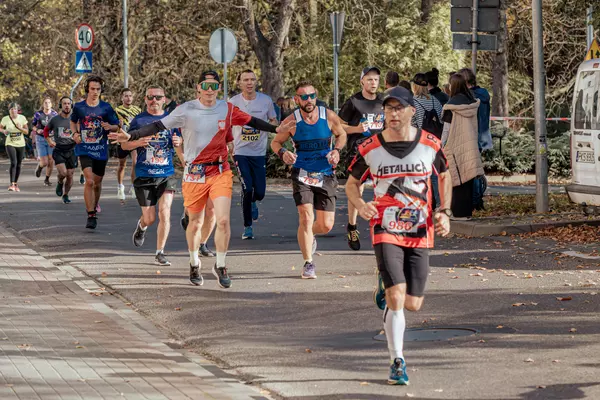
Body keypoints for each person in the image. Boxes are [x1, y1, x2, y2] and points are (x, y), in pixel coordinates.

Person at [112, 70, 283, 288]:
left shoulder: (227, 108)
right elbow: (157, 126)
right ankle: (194, 263)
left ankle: (220, 265)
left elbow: (253, 121)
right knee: (195, 222)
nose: (210, 90)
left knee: (222, 219)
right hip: (194, 173)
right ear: (198, 88)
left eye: (214, 86)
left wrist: (277, 128)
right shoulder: (186, 109)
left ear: (219, 88)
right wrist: (131, 135)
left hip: (220, 170)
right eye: (206, 86)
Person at [345, 86, 452, 385]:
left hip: (420, 228)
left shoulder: (430, 143)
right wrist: (360, 205)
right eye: (388, 108)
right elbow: (351, 184)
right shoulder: (370, 147)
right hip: (385, 226)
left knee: (413, 303)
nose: (392, 113)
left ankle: (386, 283)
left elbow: (445, 175)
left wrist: (444, 211)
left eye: (398, 108)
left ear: (411, 111)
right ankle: (397, 361)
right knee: (396, 297)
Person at [271, 81, 347, 279]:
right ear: (297, 100)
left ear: (316, 96)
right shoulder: (292, 121)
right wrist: (283, 152)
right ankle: (308, 263)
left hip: (325, 174)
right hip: (302, 173)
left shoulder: (328, 116)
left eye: (312, 96)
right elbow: (275, 142)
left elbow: (341, 134)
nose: (309, 100)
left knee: (326, 225)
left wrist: (337, 151)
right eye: (304, 97)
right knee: (305, 217)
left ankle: (308, 234)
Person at [123, 85, 180, 266]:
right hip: (144, 174)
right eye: (150, 97)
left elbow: (181, 141)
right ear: (145, 100)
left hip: (166, 174)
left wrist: (179, 141)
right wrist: (138, 142)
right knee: (150, 218)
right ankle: (142, 226)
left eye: (158, 97)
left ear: (164, 100)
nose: (154, 100)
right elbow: (124, 145)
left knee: (165, 213)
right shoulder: (139, 121)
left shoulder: (172, 120)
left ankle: (160, 252)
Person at [338, 66, 384, 251]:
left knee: (383, 188)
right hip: (358, 151)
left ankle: (381, 225)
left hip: (381, 151)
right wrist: (356, 129)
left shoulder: (384, 101)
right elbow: (338, 126)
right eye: (369, 79)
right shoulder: (353, 102)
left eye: (376, 79)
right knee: (357, 187)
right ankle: (352, 226)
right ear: (362, 81)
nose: (373, 83)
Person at [229, 70, 278, 240]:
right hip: (240, 151)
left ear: (256, 82)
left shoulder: (266, 100)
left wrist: (273, 127)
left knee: (260, 192)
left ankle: (253, 201)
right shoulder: (233, 102)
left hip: (258, 152)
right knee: (247, 188)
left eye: (252, 79)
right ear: (239, 83)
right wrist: (229, 143)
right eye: (245, 80)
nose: (249, 83)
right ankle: (247, 226)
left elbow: (273, 121)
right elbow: (227, 125)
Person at [71, 75, 120, 229]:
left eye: (98, 89)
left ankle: (95, 203)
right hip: (84, 148)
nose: (95, 92)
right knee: (90, 181)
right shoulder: (79, 107)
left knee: (97, 184)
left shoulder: (106, 107)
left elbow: (117, 125)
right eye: (92, 89)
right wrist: (75, 134)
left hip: (101, 149)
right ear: (87, 89)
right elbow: (73, 121)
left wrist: (110, 127)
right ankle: (91, 214)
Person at [441, 73, 483, 219]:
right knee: (468, 177)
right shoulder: (472, 103)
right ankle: (467, 212)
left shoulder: (451, 106)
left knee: (456, 177)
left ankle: (458, 213)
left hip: (455, 145)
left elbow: (446, 129)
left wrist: (441, 144)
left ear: (453, 86)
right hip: (470, 145)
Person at [458, 68, 492, 210]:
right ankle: (477, 200)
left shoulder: (468, 97)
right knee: (476, 168)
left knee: (472, 170)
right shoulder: (483, 94)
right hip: (482, 136)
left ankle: (475, 200)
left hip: (471, 135)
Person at [44, 97, 77, 203]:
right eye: (64, 103)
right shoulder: (55, 119)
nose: (66, 105)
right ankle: (59, 182)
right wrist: (49, 141)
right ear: (60, 105)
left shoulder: (75, 120)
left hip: (72, 150)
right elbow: (45, 131)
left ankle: (65, 195)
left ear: (71, 105)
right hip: (59, 149)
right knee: (63, 173)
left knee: (70, 175)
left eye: (68, 103)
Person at [115, 88, 142, 200]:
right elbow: (113, 126)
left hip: (133, 139)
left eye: (130, 96)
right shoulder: (117, 110)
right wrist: (118, 125)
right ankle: (120, 186)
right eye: (126, 96)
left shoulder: (138, 110)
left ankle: (133, 186)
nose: (128, 98)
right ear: (122, 98)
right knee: (122, 164)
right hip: (122, 140)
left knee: (135, 162)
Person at [0, 103, 29, 191]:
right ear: (9, 110)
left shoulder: (22, 118)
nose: (13, 111)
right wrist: (4, 131)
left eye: (15, 109)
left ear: (17, 110)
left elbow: (26, 132)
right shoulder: (5, 119)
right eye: (11, 109)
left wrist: (20, 128)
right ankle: (12, 184)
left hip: (21, 144)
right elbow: (0, 128)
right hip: (10, 143)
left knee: (19, 164)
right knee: (14, 163)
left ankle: (15, 184)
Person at [32, 97, 58, 186]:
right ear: (43, 104)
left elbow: (57, 126)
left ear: (51, 104)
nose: (47, 104)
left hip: (51, 139)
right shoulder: (38, 114)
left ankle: (47, 179)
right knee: (44, 162)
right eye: (45, 103)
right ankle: (40, 166)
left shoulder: (54, 114)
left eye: (49, 102)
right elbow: (33, 126)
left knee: (51, 160)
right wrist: (37, 130)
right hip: (40, 139)